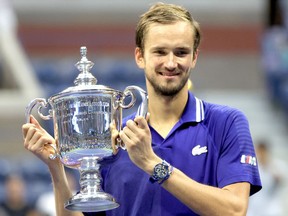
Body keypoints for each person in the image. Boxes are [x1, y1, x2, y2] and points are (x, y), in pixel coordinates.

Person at [22, 3, 262, 216]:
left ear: (195, 57)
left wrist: (152, 164)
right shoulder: (113, 138)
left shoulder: (226, 123)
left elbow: (234, 210)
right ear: (139, 56)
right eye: (159, 51)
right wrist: (56, 170)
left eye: (181, 52)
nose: (170, 63)